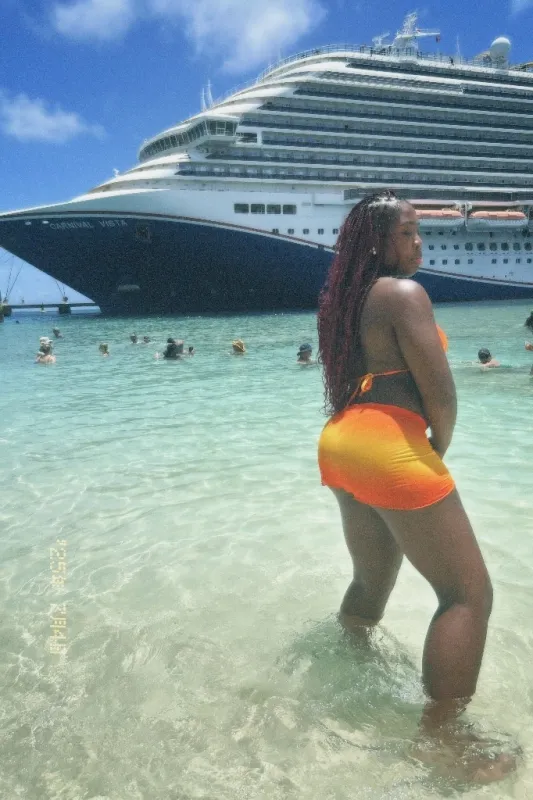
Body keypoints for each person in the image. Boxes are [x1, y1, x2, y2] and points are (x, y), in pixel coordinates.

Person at [317, 191, 513, 782]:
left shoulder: (343, 302)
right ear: (377, 243)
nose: (419, 243)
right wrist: (435, 450)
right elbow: (441, 394)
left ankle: (346, 661)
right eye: (407, 233)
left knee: (371, 580)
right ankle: (443, 744)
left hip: (341, 443)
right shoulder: (404, 294)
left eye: (418, 231)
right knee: (467, 595)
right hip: (389, 448)